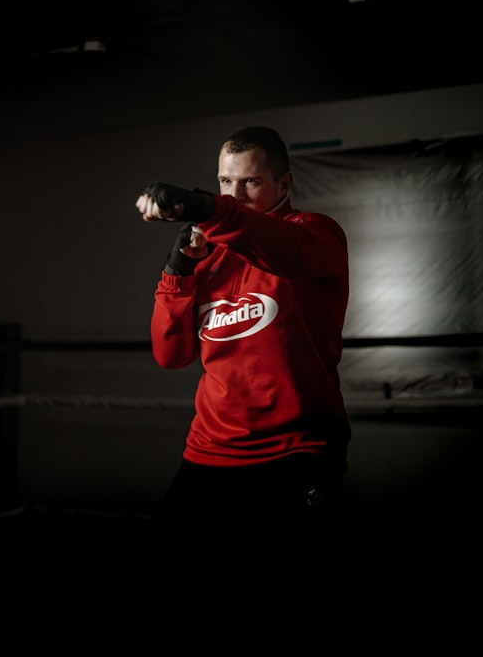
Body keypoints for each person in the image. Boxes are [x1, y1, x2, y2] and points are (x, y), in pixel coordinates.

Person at [135, 125, 350, 549]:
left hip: (297, 449)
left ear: (283, 183)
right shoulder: (208, 252)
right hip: (212, 447)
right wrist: (178, 272)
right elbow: (171, 355)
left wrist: (208, 208)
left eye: (250, 181)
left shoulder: (317, 234)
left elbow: (282, 250)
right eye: (224, 182)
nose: (234, 195)